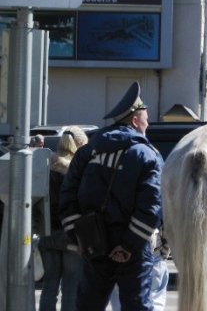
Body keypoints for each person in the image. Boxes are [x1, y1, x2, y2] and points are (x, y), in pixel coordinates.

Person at [59, 81, 164, 311]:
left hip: (94, 245)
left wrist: (79, 240)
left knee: (88, 305)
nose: (148, 123)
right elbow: (152, 206)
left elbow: (67, 197)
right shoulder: (147, 155)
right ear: (135, 121)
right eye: (146, 118)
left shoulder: (87, 151)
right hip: (132, 252)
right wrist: (127, 246)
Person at [38, 126, 88, 311]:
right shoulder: (76, 172)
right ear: (80, 145)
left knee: (49, 286)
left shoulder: (45, 167)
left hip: (47, 234)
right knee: (71, 287)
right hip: (70, 237)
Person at [109, 227, 170, 311]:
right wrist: (164, 252)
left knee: (119, 305)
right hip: (152, 253)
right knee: (155, 303)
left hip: (114, 256)